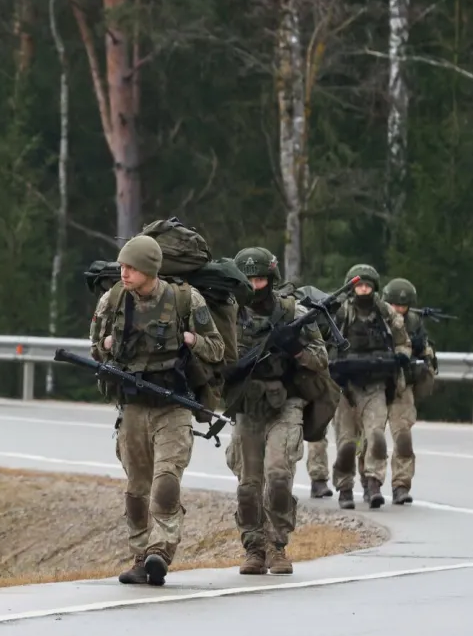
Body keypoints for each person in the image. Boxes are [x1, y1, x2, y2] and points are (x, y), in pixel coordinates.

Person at [90, 235, 225, 587]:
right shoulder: (113, 300)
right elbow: (94, 348)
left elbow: (217, 348)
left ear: (149, 269)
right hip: (133, 404)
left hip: (173, 405)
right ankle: (139, 556)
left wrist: (191, 340)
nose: (123, 273)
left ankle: (160, 551)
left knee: (165, 481)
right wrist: (104, 347)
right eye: (121, 266)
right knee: (136, 490)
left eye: (131, 267)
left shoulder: (184, 299)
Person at [225, 248, 330, 575]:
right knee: (248, 485)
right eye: (250, 279)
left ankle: (277, 544)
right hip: (247, 407)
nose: (256, 286)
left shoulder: (292, 312)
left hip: (286, 403)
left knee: (279, 476)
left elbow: (321, 359)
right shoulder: (230, 315)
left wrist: (295, 348)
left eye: (261, 279)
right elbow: (215, 357)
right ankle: (253, 547)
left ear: (271, 279)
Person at [327, 264, 411, 510]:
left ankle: (373, 482)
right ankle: (344, 487)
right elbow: (320, 341)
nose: (363, 290)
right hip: (345, 387)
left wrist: (401, 356)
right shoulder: (340, 313)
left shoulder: (385, 313)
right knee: (346, 444)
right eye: (358, 285)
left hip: (375, 386)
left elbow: (402, 341)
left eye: (367, 286)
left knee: (376, 436)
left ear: (374, 287)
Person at [380, 277, 438, 505]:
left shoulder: (414, 323)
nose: (399, 310)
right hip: (373, 384)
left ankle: (401, 485)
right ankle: (371, 481)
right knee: (370, 440)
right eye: (394, 305)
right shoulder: (373, 320)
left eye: (403, 306)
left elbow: (426, 354)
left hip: (402, 386)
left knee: (403, 437)